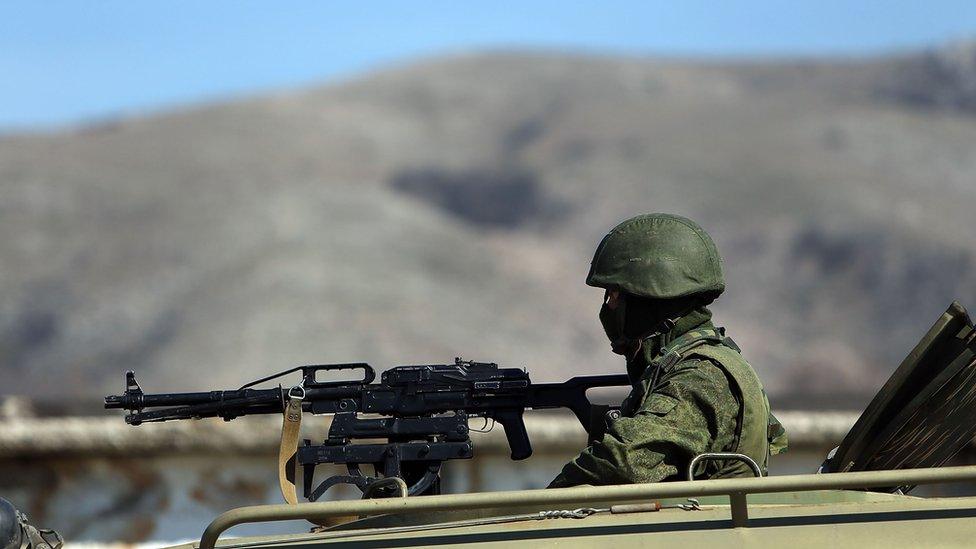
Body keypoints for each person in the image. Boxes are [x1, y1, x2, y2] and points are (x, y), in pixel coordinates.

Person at [549, 213, 787, 487]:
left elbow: (625, 463)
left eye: (615, 295)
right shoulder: (685, 362)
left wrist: (536, 509)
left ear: (648, 300)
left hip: (703, 528)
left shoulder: (700, 375)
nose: (608, 307)